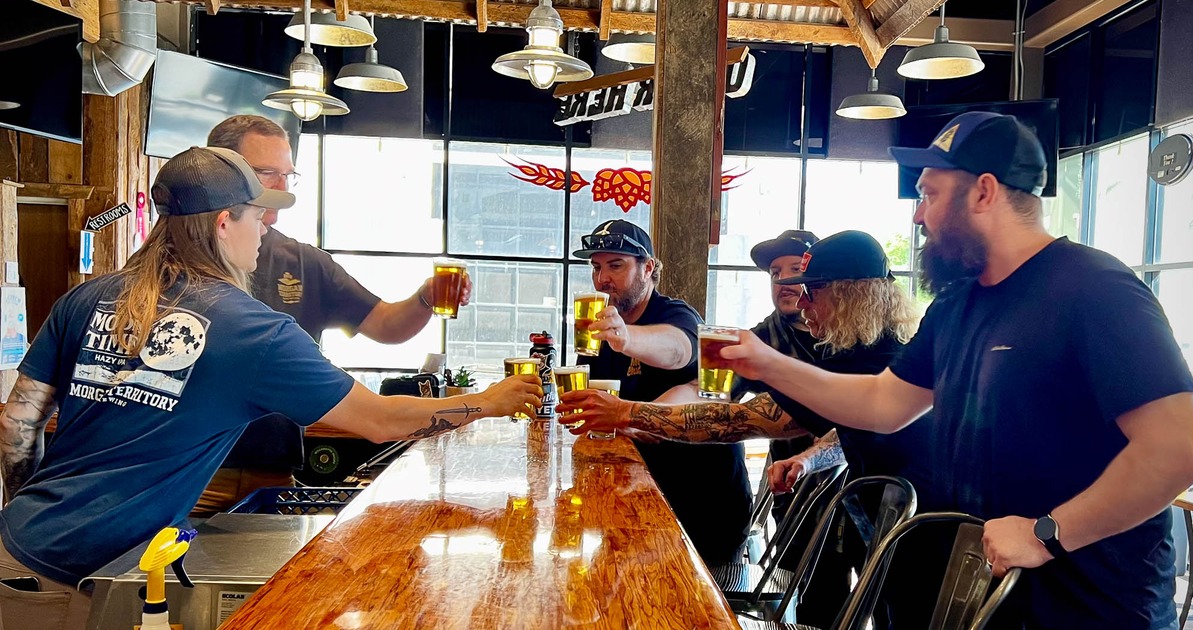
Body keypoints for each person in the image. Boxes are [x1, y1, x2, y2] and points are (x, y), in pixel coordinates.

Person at [0, 147, 541, 629]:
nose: (265, 229)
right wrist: (487, 403)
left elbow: (17, 422)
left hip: (15, 545)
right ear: (222, 223)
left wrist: (31, 504)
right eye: (258, 216)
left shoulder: (87, 298)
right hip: (79, 576)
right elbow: (379, 421)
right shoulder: (252, 329)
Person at [719, 112, 1193, 628]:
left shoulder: (1094, 288)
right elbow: (883, 405)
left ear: (984, 192)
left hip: (1094, 607)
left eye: (929, 194)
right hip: (987, 596)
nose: (918, 217)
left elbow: (1179, 446)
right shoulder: (957, 303)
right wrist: (764, 362)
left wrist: (1049, 532)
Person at [559, 230, 934, 627]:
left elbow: (741, 419)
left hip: (922, 529)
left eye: (814, 289)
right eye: (786, 281)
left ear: (855, 294)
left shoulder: (876, 357)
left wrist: (629, 414)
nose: (800, 302)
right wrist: (810, 457)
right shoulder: (861, 348)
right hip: (885, 515)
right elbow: (851, 424)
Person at [196, 115, 474, 514]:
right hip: (194, 474)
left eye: (289, 175)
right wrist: (485, 403)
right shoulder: (180, 268)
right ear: (221, 171)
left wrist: (425, 299)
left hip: (274, 470)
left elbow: (386, 326)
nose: (282, 187)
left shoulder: (305, 262)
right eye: (267, 173)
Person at [571, 219, 751, 566]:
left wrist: (627, 339)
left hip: (702, 511)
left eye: (616, 265)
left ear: (648, 268)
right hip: (638, 498)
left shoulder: (675, 314)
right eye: (596, 267)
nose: (602, 278)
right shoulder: (601, 326)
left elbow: (679, 349)